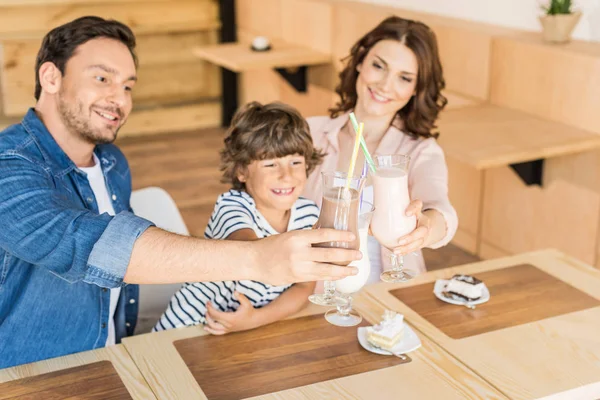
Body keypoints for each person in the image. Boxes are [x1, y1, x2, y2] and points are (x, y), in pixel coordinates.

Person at [0, 17, 360, 369]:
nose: (119, 99)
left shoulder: (110, 162)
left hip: (110, 355)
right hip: (31, 375)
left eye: (127, 86)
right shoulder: (8, 164)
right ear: (51, 77)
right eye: (102, 78)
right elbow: (90, 245)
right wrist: (258, 258)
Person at [303, 16, 458, 283]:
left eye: (404, 78)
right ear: (360, 62)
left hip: (390, 297)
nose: (386, 85)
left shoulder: (421, 151)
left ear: (415, 90)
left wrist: (428, 226)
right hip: (310, 294)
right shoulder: (310, 133)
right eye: (379, 66)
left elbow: (440, 208)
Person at [155, 102, 324, 334]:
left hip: (250, 329)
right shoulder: (232, 206)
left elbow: (304, 287)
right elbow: (247, 246)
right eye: (271, 164)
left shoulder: (308, 214)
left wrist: (256, 319)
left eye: (296, 162)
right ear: (242, 171)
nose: (286, 176)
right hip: (192, 323)